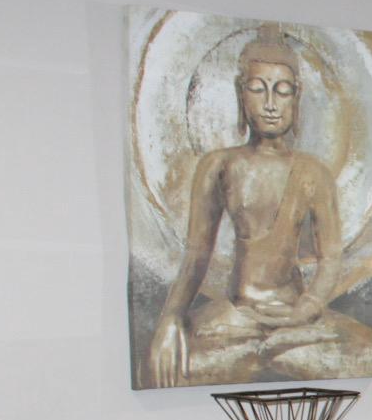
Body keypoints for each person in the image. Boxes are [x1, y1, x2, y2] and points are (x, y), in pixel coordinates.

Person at [144, 23, 357, 387]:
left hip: (297, 318)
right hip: (236, 318)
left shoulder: (313, 172)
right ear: (242, 96)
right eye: (259, 90)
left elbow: (331, 259)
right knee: (164, 368)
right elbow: (197, 254)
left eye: (283, 91)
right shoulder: (219, 166)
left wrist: (303, 310)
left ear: (297, 98)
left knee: (363, 351)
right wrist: (170, 318)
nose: (271, 104)